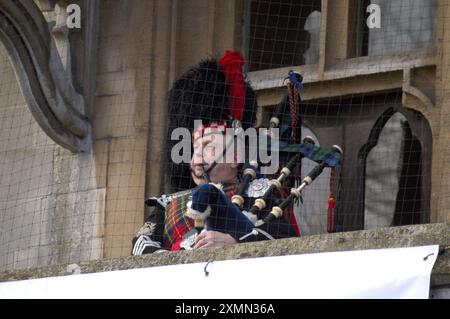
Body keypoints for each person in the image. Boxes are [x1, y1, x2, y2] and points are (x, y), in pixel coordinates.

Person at [131, 51, 299, 255]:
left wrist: (236, 243)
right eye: (195, 149)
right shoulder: (169, 205)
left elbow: (287, 239)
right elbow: (140, 244)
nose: (197, 159)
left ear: (235, 157)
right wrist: (171, 261)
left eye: (209, 146)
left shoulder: (265, 193)